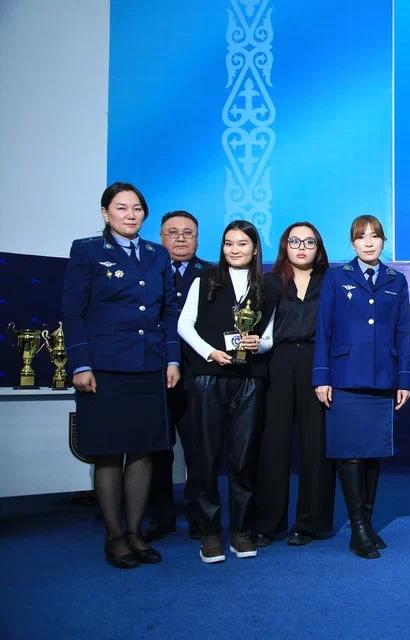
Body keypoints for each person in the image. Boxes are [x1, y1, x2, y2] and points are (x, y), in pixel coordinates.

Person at [62, 182, 180, 568]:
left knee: (143, 451)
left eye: (136, 209)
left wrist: (172, 360)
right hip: (104, 367)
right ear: (105, 213)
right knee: (109, 453)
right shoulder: (88, 251)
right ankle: (115, 537)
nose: (130, 215)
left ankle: (135, 533)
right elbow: (73, 312)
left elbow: (168, 312)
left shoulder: (157, 254)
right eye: (121, 207)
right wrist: (81, 364)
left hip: (148, 365)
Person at [312, 215, 410, 560]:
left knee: (373, 453)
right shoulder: (336, 277)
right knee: (350, 453)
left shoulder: (396, 280)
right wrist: (321, 376)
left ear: (384, 242)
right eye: (361, 237)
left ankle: (366, 523)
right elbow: (324, 328)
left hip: (383, 375)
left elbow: (403, 331)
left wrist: (404, 378)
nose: (368, 242)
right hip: (344, 375)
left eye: (375, 236)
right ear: (352, 242)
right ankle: (357, 527)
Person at [177, 220, 278, 563]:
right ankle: (209, 533)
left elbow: (270, 337)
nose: (235, 250)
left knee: (244, 459)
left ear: (255, 248)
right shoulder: (205, 279)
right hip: (209, 377)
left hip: (250, 380)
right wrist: (209, 353)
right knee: (206, 458)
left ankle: (241, 531)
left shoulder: (268, 287)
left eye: (242, 244)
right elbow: (184, 325)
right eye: (229, 243)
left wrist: (257, 344)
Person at [253, 221, 337, 548]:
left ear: (319, 248)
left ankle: (310, 523)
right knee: (273, 446)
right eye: (295, 241)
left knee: (316, 445)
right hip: (277, 364)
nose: (302, 248)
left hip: (318, 364)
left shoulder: (331, 282)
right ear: (284, 247)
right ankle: (269, 523)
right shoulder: (269, 282)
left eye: (309, 242)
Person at [145, 210, 209, 542]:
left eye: (188, 233)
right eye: (173, 232)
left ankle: (200, 516)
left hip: (198, 374)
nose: (181, 238)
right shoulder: (146, 271)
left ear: (197, 239)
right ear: (161, 237)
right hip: (155, 372)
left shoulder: (212, 274)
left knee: (199, 449)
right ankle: (160, 517)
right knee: (158, 448)